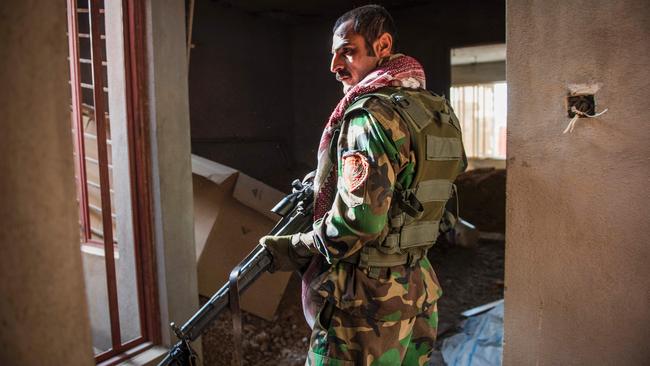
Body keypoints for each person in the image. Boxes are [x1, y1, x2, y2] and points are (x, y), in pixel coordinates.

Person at [260, 5, 466, 365]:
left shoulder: (369, 116)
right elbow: (442, 200)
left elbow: (359, 222)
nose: (335, 65)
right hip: (417, 287)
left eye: (348, 50)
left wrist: (298, 246)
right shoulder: (436, 110)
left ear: (383, 45)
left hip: (366, 306)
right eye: (333, 53)